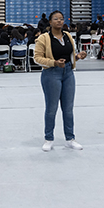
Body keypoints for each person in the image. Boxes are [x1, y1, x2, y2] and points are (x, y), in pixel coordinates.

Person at [34, 10, 87, 152]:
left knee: (68, 109)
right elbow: (37, 58)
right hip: (51, 74)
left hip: (68, 73)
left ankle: (70, 139)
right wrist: (54, 63)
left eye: (61, 19)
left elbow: (69, 56)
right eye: (56, 19)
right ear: (50, 22)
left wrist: (77, 56)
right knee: (51, 109)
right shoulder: (43, 38)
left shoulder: (68, 36)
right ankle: (49, 138)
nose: (59, 21)